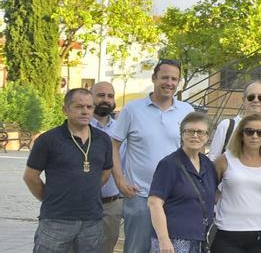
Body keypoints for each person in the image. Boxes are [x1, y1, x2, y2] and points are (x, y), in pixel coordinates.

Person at [110, 59, 196, 253]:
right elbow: (113, 145)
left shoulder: (187, 111)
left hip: (175, 197)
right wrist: (120, 180)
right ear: (154, 78)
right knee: (136, 249)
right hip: (140, 195)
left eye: (174, 79)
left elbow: (193, 150)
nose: (169, 83)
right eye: (165, 77)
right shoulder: (133, 110)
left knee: (170, 249)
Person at [24, 88, 114, 253]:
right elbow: (30, 177)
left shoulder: (103, 140)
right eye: (79, 106)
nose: (85, 111)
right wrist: (51, 197)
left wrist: (87, 190)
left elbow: (105, 173)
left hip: (92, 220)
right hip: (56, 220)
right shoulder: (48, 140)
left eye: (89, 107)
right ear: (65, 109)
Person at [212, 114, 261, 253]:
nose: (255, 136)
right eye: (249, 131)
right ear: (241, 134)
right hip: (228, 232)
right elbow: (208, 191)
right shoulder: (224, 160)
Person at [148, 112, 217, 253]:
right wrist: (164, 240)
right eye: (190, 131)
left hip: (201, 239)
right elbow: (154, 203)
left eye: (200, 132)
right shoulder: (169, 164)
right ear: (182, 135)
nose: (195, 136)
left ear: (207, 136)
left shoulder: (208, 165)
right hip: (174, 241)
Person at [209, 81, 261, 166]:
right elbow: (213, 161)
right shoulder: (226, 126)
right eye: (251, 97)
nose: (256, 100)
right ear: (243, 100)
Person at [90, 81, 125, 253]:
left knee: (106, 249)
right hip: (83, 202)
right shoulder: (81, 125)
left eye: (110, 96)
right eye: (101, 95)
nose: (106, 100)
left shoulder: (121, 129)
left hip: (111, 204)